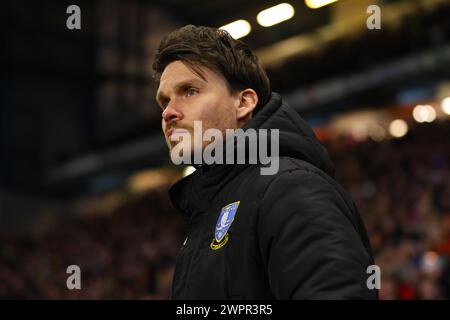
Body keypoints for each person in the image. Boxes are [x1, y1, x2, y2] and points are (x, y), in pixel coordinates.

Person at [152, 25, 377, 299]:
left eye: (189, 91)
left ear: (244, 102)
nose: (169, 113)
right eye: (164, 102)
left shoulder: (291, 187)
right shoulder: (207, 210)